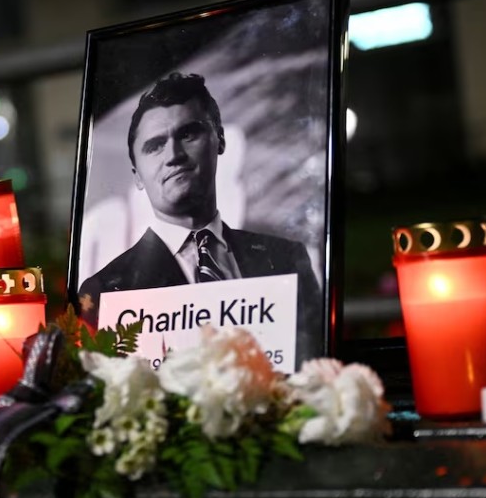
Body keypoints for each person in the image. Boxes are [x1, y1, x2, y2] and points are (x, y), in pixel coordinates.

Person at [77, 72, 322, 349]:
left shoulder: (287, 259)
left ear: (220, 140)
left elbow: (316, 360)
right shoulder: (105, 291)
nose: (173, 156)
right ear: (136, 175)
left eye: (188, 134)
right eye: (155, 146)